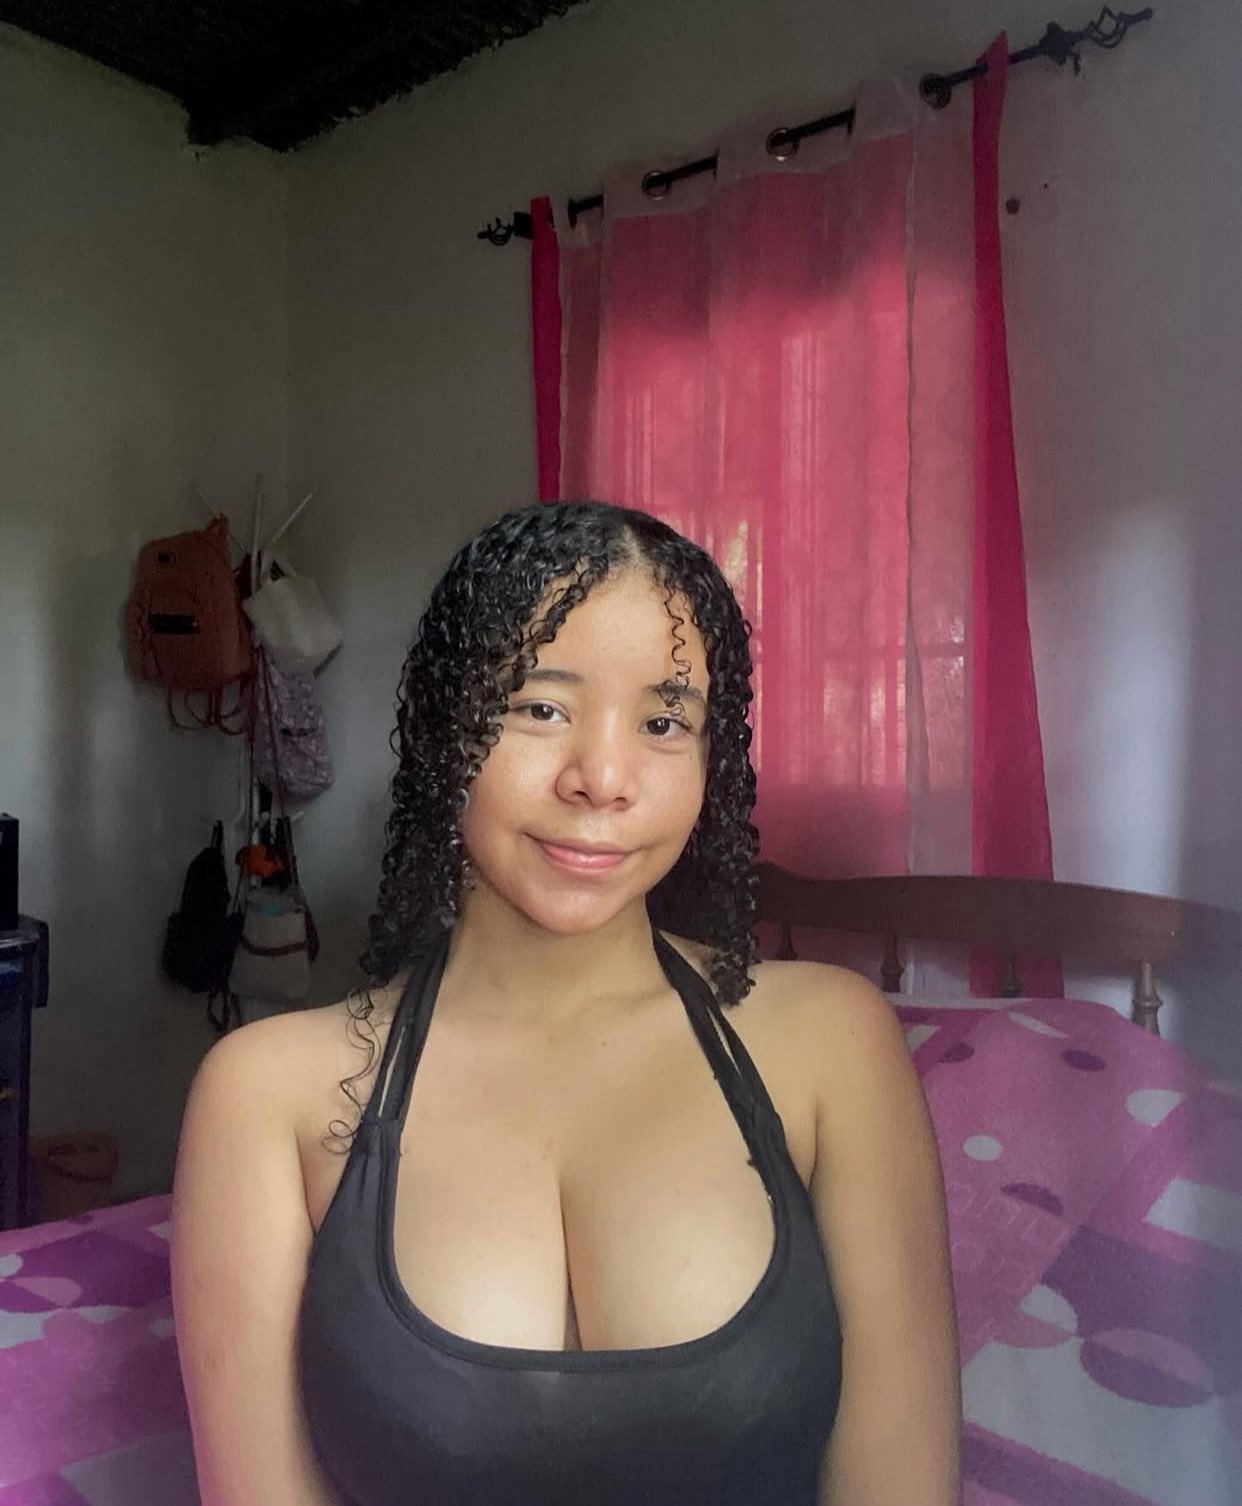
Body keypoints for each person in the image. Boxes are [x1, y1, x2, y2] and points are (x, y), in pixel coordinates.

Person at [172, 500, 960, 1506]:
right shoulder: (266, 1092)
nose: (604, 779)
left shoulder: (830, 1042)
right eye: (540, 708)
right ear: (443, 731)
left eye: (664, 722)